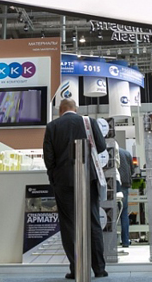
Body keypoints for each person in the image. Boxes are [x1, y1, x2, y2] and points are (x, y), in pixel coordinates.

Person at [43, 98, 107, 279]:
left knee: (69, 225)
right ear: (75, 109)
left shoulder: (52, 126)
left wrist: (54, 177)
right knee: (92, 221)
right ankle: (99, 268)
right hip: (88, 179)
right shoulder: (89, 122)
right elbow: (101, 147)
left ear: (60, 110)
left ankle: (77, 268)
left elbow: (48, 157)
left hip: (63, 181)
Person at [117, 146, 133, 248]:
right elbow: (132, 170)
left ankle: (109, 241)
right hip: (125, 184)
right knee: (124, 213)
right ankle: (125, 241)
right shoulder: (127, 153)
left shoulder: (108, 152)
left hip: (113, 183)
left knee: (110, 212)